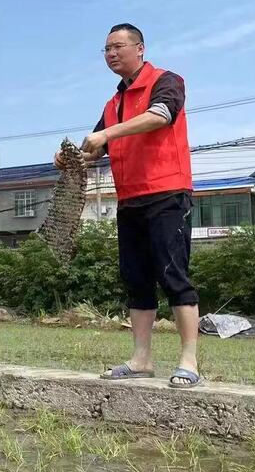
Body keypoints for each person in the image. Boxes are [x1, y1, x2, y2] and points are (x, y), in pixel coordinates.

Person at [56, 23, 201, 388]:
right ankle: (141, 359)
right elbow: (96, 147)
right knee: (135, 278)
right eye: (106, 49)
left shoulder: (166, 81)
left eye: (118, 46)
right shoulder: (113, 104)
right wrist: (69, 156)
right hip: (130, 199)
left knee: (173, 274)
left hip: (168, 193)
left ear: (140, 48)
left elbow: (160, 116)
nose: (111, 54)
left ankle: (189, 361)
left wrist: (106, 133)